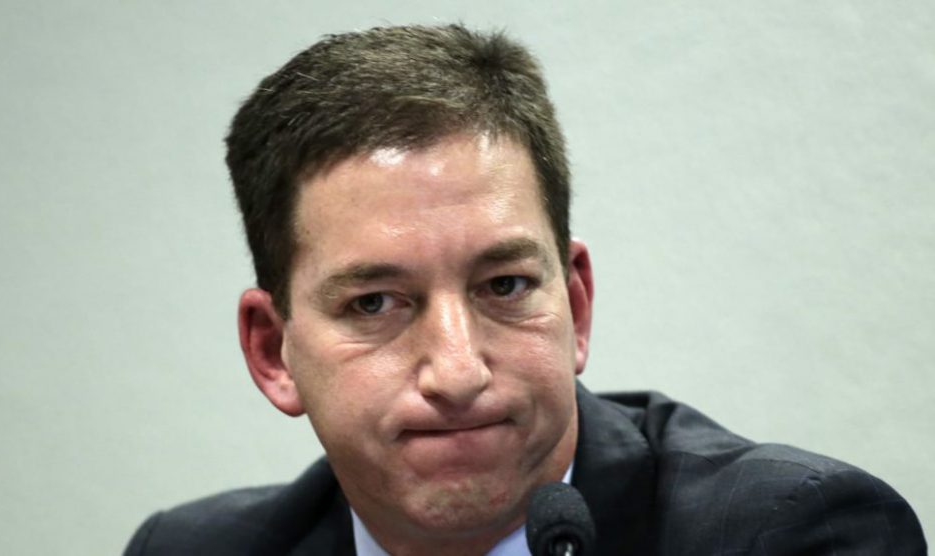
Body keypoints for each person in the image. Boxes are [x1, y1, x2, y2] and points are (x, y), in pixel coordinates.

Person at [124, 24, 926, 555]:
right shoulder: (194, 551)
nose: (458, 371)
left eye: (504, 285)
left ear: (575, 306)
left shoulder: (789, 535)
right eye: (374, 303)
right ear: (274, 352)